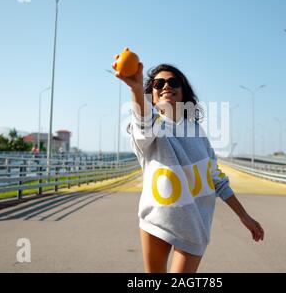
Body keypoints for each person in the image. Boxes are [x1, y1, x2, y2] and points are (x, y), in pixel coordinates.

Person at [113, 62, 264, 273]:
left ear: (183, 91)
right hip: (157, 220)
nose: (166, 86)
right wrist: (136, 88)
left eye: (173, 82)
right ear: (152, 96)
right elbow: (143, 127)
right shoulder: (147, 125)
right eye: (158, 83)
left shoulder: (196, 131)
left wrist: (244, 215)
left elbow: (216, 178)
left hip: (195, 222)